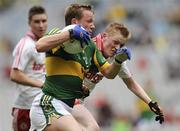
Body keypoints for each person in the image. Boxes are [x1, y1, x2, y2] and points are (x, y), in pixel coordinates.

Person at [29, 4, 131, 131]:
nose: (93, 25)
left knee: (93, 128)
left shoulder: (90, 47)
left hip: (68, 106)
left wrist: (118, 61)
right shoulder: (59, 34)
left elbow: (109, 73)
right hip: (49, 103)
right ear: (75, 22)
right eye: (89, 21)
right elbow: (39, 45)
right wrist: (70, 33)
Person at [73, 22, 164, 130]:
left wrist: (150, 102)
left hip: (78, 102)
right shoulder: (86, 46)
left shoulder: (117, 59)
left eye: (121, 45)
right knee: (92, 128)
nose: (117, 47)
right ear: (105, 36)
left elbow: (131, 84)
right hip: (63, 96)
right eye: (115, 42)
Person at [10, 6, 48, 131]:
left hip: (42, 105)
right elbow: (15, 74)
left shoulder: (44, 45)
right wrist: (42, 85)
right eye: (37, 21)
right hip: (25, 107)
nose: (41, 25)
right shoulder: (25, 45)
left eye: (44, 21)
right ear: (29, 23)